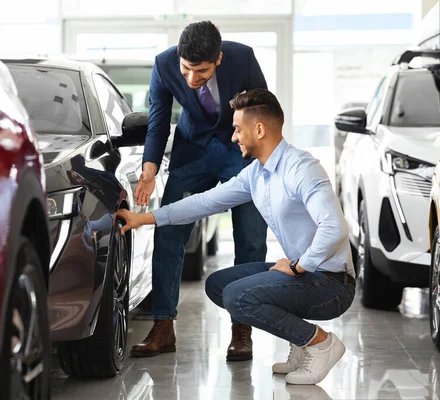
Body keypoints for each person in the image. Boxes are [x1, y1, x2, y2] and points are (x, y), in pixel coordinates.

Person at [116, 89, 355, 385]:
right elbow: (204, 202)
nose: (233, 138)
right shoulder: (256, 173)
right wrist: (146, 218)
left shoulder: (302, 168)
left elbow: (335, 228)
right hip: (306, 273)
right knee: (219, 285)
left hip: (332, 284)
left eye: (237, 129)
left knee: (236, 297)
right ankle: (301, 342)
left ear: (259, 129)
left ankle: (320, 343)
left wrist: (299, 266)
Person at [131, 20, 269, 359]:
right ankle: (163, 326)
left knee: (250, 237)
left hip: (240, 151)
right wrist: (149, 171)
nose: (193, 79)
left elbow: (263, 112)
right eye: (187, 69)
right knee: (168, 229)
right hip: (192, 151)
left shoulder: (243, 59)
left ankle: (242, 330)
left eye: (202, 71)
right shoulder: (164, 65)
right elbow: (158, 121)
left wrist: (268, 163)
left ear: (218, 59)